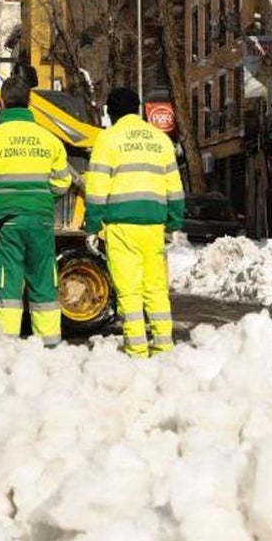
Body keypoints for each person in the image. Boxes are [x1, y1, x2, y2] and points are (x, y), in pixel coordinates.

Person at [0, 75, 72, 346]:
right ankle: (50, 346)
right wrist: (40, 200)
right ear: (30, 102)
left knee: (8, 287)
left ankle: (6, 347)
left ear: (1, 103)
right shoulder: (49, 139)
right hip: (41, 222)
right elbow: (62, 182)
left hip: (5, 225)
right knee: (43, 284)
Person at [84, 87, 184, 358]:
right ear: (138, 109)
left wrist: (92, 227)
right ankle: (164, 347)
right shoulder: (160, 140)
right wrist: (173, 223)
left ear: (111, 112)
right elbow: (174, 188)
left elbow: (96, 187)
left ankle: (137, 350)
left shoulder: (108, 139)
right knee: (155, 288)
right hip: (153, 226)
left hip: (121, 227)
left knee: (129, 291)